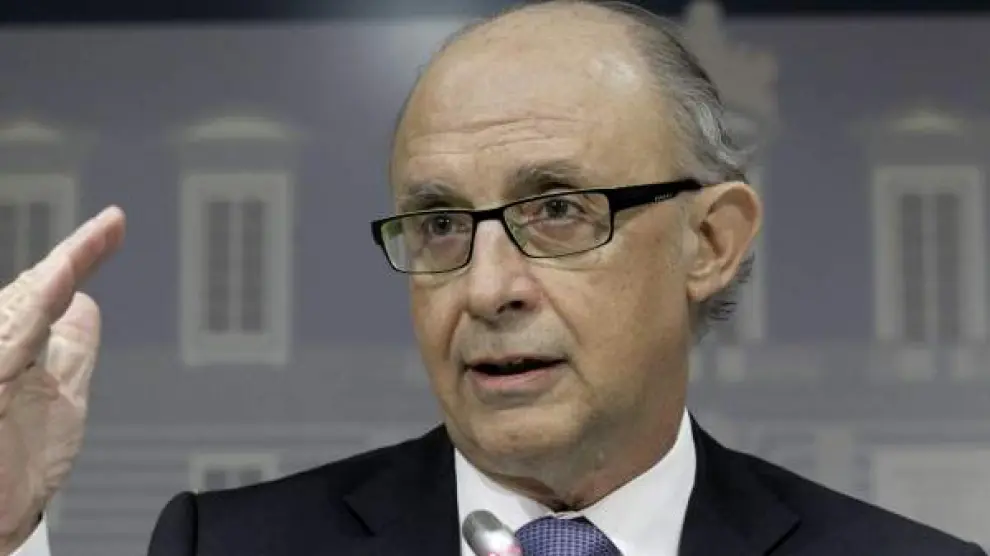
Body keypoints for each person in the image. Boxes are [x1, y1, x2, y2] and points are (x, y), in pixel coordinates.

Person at [1, 1, 986, 555]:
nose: (486, 290)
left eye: (557, 210)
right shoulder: (228, 550)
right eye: (440, 225)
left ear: (709, 242)